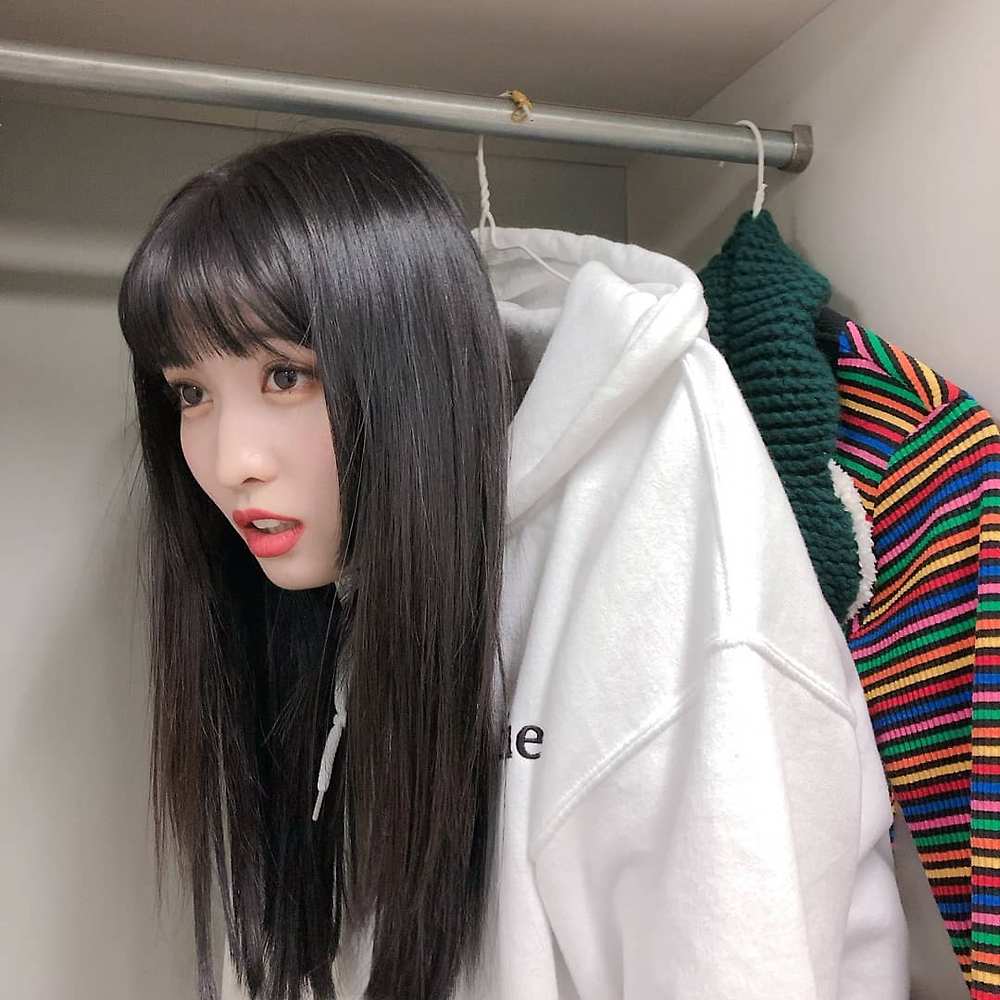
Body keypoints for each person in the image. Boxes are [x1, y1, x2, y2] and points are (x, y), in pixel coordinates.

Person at [118, 129, 908, 1000]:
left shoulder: (664, 575)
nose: (231, 462)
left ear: (407, 366)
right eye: (191, 392)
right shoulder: (359, 563)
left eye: (285, 376)